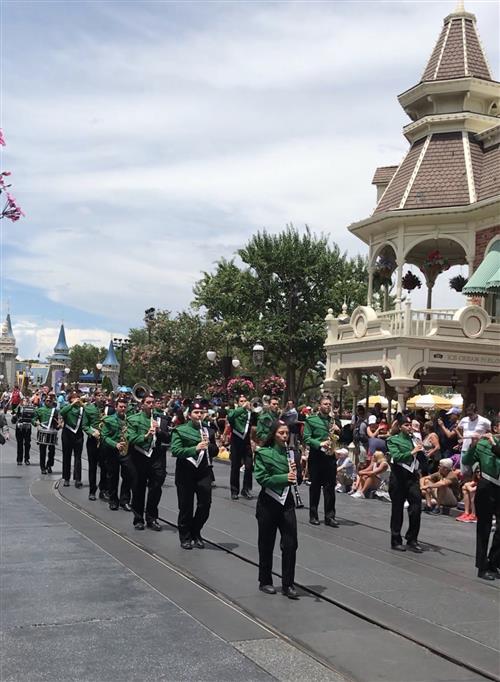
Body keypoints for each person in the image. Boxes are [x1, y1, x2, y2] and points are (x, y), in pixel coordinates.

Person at [254, 421, 299, 600]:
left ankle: (288, 584)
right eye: (281, 433)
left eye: (286, 433)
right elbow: (262, 478)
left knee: (291, 543)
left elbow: (299, 479)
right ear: (274, 435)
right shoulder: (263, 454)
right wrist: (284, 477)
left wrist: (297, 472)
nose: (284, 436)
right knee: (266, 543)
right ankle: (265, 580)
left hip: (286, 502)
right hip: (268, 502)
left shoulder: (292, 454)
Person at [171, 401, 218, 549]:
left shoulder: (209, 431)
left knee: (205, 504)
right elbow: (175, 450)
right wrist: (195, 448)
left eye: (201, 413)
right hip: (185, 472)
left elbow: (214, 450)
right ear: (189, 414)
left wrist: (210, 445)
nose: (199, 415)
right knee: (186, 506)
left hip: (204, 471)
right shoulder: (180, 430)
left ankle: (196, 531)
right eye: (196, 413)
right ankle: (185, 536)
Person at [462, 418, 500, 580]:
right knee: (483, 529)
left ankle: (494, 561)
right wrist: (472, 446)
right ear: (497, 427)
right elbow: (467, 461)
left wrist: (493, 443)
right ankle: (482, 566)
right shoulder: (483, 444)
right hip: (487, 487)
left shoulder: (491, 443)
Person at [127, 393, 168, 531]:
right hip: (139, 456)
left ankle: (152, 518)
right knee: (138, 488)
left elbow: (168, 438)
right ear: (142, 404)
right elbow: (131, 439)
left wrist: (159, 430)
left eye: (153, 402)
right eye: (148, 403)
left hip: (156, 457)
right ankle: (138, 519)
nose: (151, 405)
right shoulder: (133, 419)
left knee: (156, 488)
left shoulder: (161, 418)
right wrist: (146, 436)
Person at [387, 416, 424, 552]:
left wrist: (421, 451)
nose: (410, 427)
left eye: (411, 425)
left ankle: (412, 539)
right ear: (400, 426)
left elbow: (422, 459)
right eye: (407, 425)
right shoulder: (393, 440)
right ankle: (396, 539)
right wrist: (411, 452)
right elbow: (396, 457)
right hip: (398, 477)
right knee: (397, 509)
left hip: (412, 478)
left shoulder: (415, 440)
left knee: (416, 507)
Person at [303, 396, 340, 528]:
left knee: (330, 487)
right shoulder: (311, 420)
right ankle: (313, 515)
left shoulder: (332, 420)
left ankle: (330, 516)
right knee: (315, 487)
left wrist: (337, 432)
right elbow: (306, 438)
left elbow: (340, 436)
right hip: (317, 456)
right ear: (319, 406)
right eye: (325, 404)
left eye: (329, 404)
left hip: (329, 457)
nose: (328, 406)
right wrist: (319, 443)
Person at [100, 397, 132, 511]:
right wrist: (115, 444)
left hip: (126, 452)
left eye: (124, 407)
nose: (123, 409)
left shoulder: (130, 420)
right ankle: (113, 500)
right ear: (116, 407)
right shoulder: (109, 420)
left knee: (128, 476)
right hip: (113, 451)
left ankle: (125, 500)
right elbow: (104, 437)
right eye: (120, 407)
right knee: (113, 476)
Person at [227, 395, 254, 500]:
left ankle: (246, 489)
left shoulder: (249, 413)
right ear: (238, 403)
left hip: (246, 443)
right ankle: (234, 490)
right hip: (235, 443)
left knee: (248, 466)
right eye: (241, 401)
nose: (244, 403)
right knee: (235, 467)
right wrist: (242, 408)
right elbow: (230, 417)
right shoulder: (233, 411)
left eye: (245, 401)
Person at [83, 392, 107, 501]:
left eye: (103, 395)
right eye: (99, 395)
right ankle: (92, 491)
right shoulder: (88, 409)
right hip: (93, 441)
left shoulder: (108, 409)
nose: (101, 398)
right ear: (94, 397)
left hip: (105, 441)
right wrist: (92, 432)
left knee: (105, 467)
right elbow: (85, 425)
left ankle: (103, 489)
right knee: (92, 467)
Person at [60, 392, 85, 488]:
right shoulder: (68, 407)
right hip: (67, 434)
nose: (76, 399)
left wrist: (82, 403)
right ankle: (66, 478)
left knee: (78, 458)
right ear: (70, 399)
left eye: (77, 397)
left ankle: (78, 479)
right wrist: (72, 404)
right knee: (66, 456)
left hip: (78, 435)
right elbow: (62, 412)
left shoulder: (82, 409)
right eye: (73, 398)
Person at [458, 404, 491, 475]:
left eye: (471, 414)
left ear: (476, 412)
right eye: (468, 414)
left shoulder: (485, 421)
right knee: (464, 472)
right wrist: (461, 438)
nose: (470, 416)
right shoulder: (464, 420)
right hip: (465, 449)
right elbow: (459, 428)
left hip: (477, 450)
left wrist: (482, 437)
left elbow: (491, 433)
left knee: (476, 472)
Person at [32, 392, 59, 474]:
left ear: (52, 402)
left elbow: (57, 422)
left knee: (52, 451)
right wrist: (36, 423)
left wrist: (59, 425)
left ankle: (49, 465)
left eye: (50, 401)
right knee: (42, 451)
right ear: (44, 401)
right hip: (43, 432)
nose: (48, 402)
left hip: (51, 432)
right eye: (47, 400)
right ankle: (42, 467)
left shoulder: (55, 411)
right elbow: (33, 419)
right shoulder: (40, 410)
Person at [13, 397, 36, 465]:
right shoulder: (19, 408)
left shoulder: (31, 409)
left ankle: (26, 459)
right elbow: (13, 417)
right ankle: (19, 459)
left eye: (27, 401)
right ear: (22, 402)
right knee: (19, 444)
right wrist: (15, 416)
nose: (25, 402)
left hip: (27, 428)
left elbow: (34, 417)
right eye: (24, 401)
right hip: (19, 428)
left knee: (27, 444)